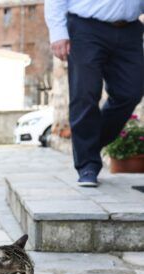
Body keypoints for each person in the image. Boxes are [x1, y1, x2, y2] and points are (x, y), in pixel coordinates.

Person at [44, 0, 144, 187]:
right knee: (85, 93)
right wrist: (58, 32)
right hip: (86, 28)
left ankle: (89, 145)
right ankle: (87, 164)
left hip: (129, 30)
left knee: (131, 92)